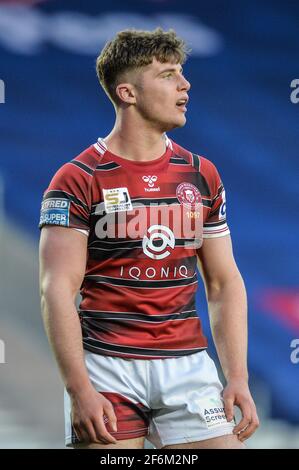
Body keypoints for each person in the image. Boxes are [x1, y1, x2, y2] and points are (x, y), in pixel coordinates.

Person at [39, 28, 259, 449]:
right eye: (168, 74)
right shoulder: (77, 178)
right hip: (108, 366)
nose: (185, 84)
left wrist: (238, 377)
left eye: (183, 73)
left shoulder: (201, 173)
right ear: (128, 92)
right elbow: (57, 289)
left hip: (187, 366)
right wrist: (79, 389)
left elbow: (223, 282)